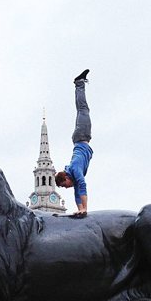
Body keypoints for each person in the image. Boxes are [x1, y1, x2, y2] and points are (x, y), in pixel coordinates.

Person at [55, 69, 94, 216]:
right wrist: (79, 209)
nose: (67, 187)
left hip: (82, 136)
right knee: (81, 110)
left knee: (83, 109)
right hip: (79, 138)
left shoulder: (75, 167)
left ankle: (79, 83)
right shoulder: (73, 174)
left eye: (65, 185)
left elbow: (82, 185)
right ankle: (79, 84)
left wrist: (84, 208)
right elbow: (78, 191)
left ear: (65, 177)